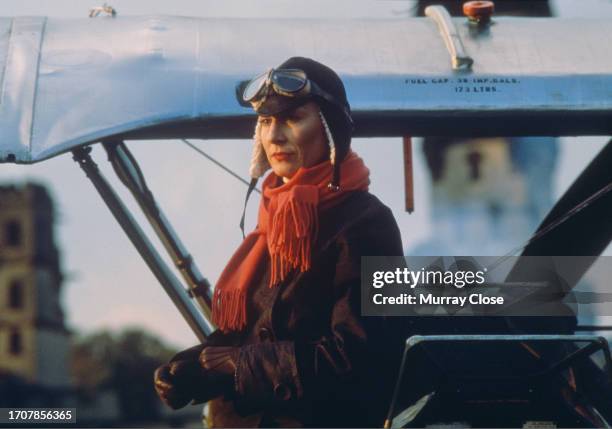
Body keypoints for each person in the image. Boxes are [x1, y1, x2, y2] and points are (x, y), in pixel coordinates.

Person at [154, 57, 407, 428]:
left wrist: (235, 364)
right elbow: (255, 331)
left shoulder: (369, 221)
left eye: (292, 118)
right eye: (266, 121)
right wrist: (192, 366)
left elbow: (364, 357)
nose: (274, 136)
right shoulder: (273, 215)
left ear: (329, 128)